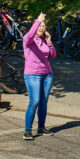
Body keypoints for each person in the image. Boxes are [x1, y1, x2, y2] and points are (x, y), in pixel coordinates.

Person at [22, 11, 56, 140]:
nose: (42, 28)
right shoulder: (28, 40)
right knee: (34, 101)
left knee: (43, 102)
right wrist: (38, 20)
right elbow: (30, 34)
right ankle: (27, 130)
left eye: (44, 26)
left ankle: (41, 127)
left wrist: (49, 41)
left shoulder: (43, 40)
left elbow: (52, 55)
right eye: (40, 26)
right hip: (32, 75)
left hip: (47, 74)